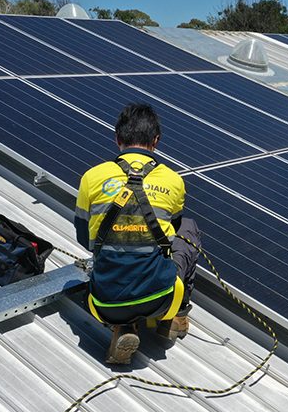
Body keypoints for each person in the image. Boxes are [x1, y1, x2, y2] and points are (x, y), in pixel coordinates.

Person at [74, 103, 201, 364]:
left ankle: (123, 327)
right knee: (189, 228)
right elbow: (173, 233)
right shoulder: (173, 180)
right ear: (156, 141)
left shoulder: (92, 177)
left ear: (117, 139)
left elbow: (84, 240)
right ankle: (174, 316)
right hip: (160, 299)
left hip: (103, 303)